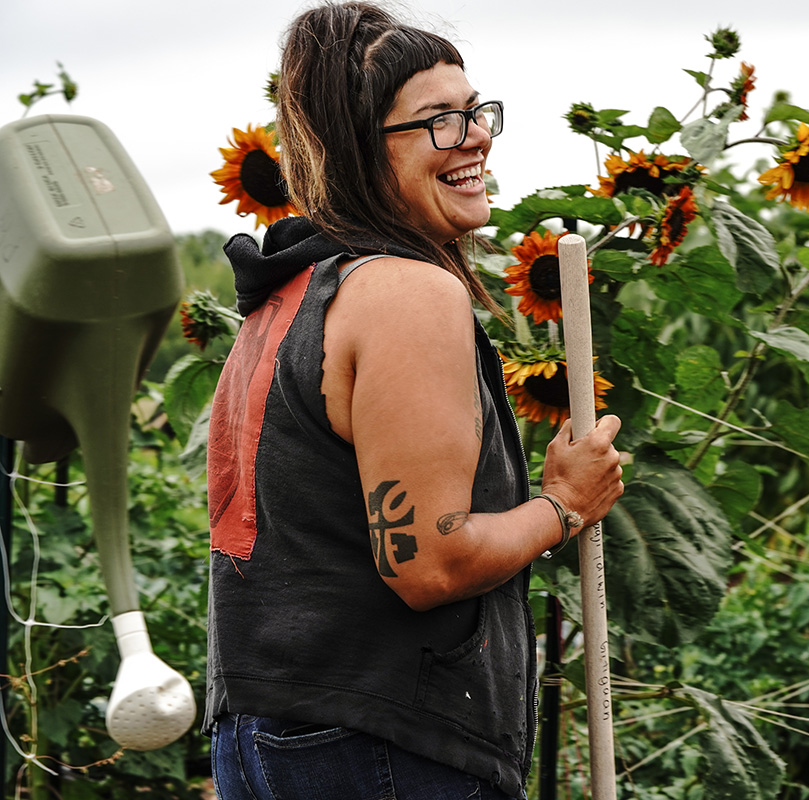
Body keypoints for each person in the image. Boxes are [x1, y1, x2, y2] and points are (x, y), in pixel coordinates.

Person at [202, 3, 624, 798]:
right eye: (437, 121)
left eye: (473, 112)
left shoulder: (286, 296)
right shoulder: (404, 293)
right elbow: (428, 563)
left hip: (267, 733)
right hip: (385, 741)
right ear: (362, 154)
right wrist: (566, 504)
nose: (475, 138)